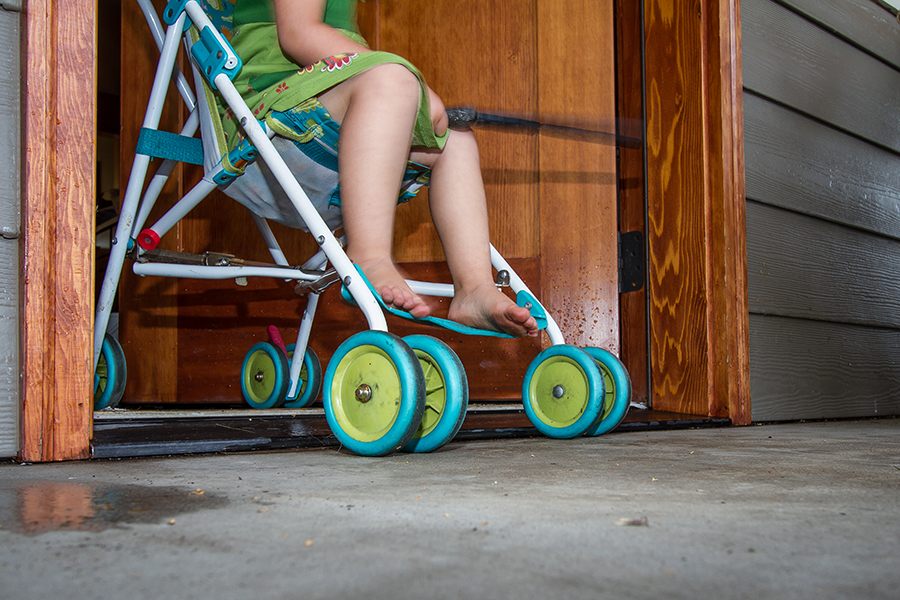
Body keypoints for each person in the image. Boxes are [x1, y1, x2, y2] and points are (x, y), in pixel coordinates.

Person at [219, 0, 538, 337]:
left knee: (453, 139)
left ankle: (474, 288)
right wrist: (408, 86)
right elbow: (298, 34)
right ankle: (368, 257)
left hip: (321, 117)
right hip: (267, 119)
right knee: (392, 82)